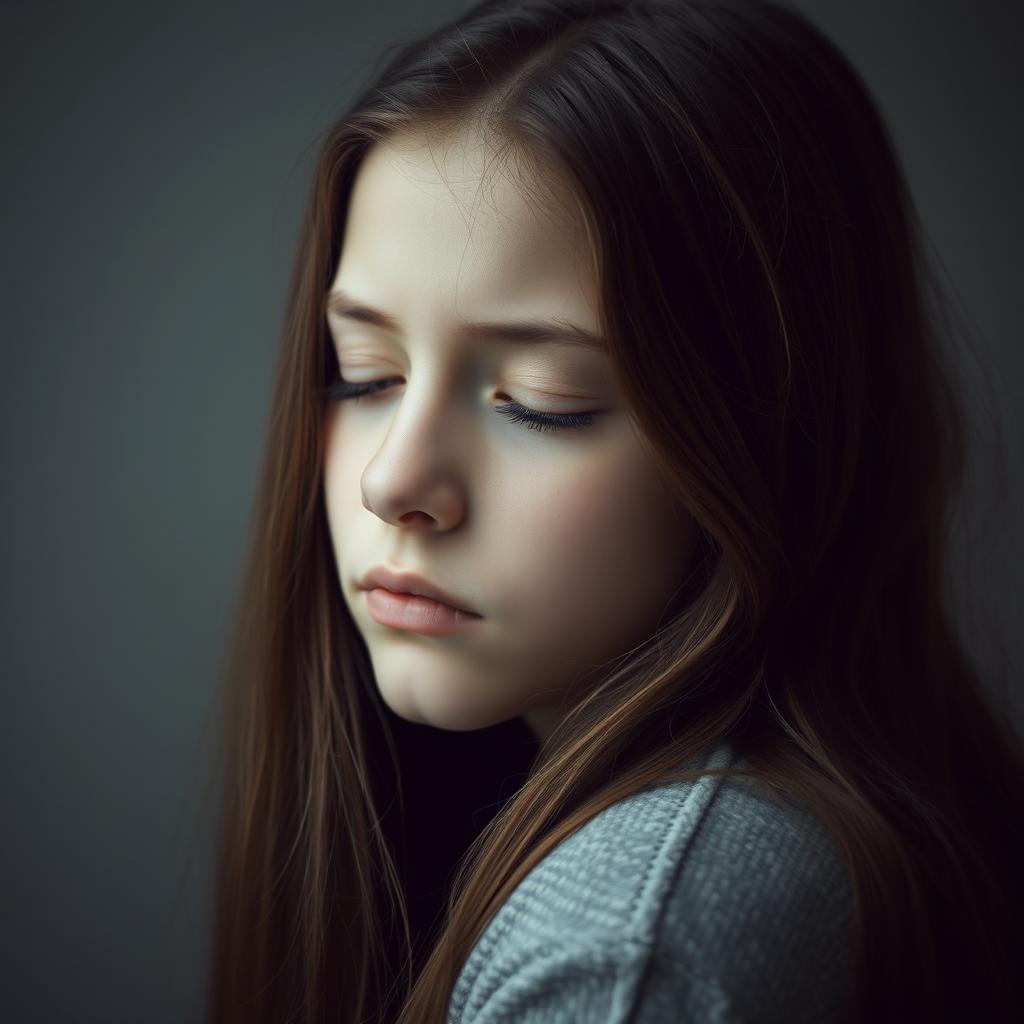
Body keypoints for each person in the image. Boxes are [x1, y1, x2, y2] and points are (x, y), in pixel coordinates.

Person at [203, 1, 1024, 1022]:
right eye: (365, 372)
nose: (392, 480)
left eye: (545, 401)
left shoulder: (618, 966)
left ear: (769, 436)